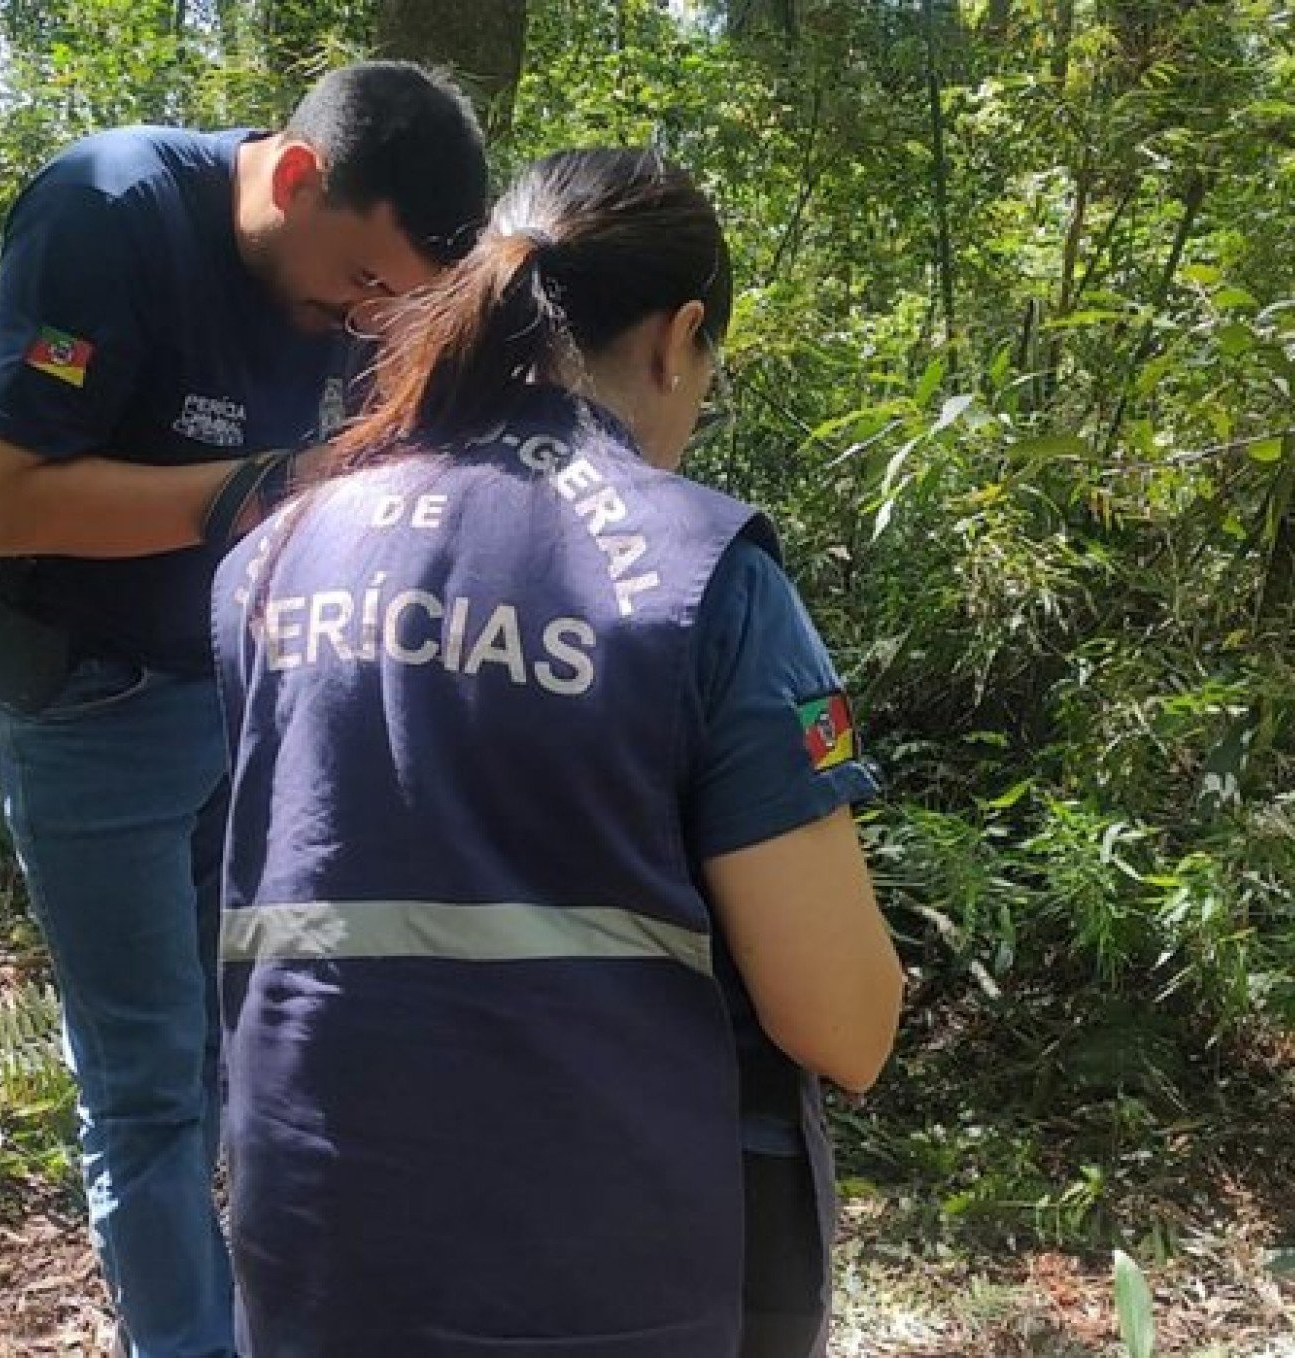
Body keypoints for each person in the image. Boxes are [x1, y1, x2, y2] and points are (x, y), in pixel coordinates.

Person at [211, 147, 905, 1358]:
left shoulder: (274, 555)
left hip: (313, 1252)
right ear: (678, 338)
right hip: (610, 1279)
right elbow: (843, 1021)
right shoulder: (704, 573)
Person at [0, 62, 488, 1358]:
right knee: (146, 1084)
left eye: (400, 305)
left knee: (242, 1052)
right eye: (363, 284)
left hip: (248, 701)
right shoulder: (110, 211)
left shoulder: (357, 287)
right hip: (91, 701)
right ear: (296, 176)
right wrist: (271, 484)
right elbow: (5, 499)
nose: (366, 321)